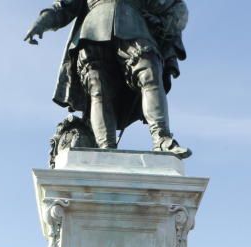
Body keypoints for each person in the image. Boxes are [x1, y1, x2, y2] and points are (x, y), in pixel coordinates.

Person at [24, 0, 192, 157]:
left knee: (150, 73)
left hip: (133, 24)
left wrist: (169, 23)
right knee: (98, 88)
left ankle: (162, 139)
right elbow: (65, 6)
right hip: (93, 28)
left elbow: (172, 5)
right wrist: (43, 22)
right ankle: (106, 150)